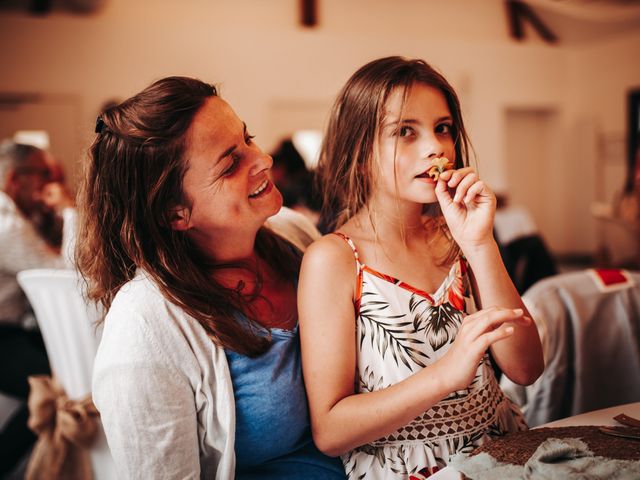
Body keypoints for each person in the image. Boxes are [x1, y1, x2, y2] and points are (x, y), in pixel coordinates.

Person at [76, 76, 346, 479]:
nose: (263, 160)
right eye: (231, 163)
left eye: (248, 138)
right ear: (175, 213)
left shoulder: (294, 236)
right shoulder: (145, 326)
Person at [298, 56, 544, 478]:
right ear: (359, 153)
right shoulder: (333, 260)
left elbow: (526, 368)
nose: (436, 148)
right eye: (405, 132)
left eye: (442, 128)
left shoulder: (458, 237)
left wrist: (480, 243)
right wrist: (445, 375)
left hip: (505, 457)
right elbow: (331, 430)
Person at [0, 140, 75, 475]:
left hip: (15, 332)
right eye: (43, 174)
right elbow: (67, 274)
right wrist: (69, 210)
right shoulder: (9, 227)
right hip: (3, 337)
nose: (49, 184)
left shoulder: (14, 219)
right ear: (16, 180)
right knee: (59, 388)